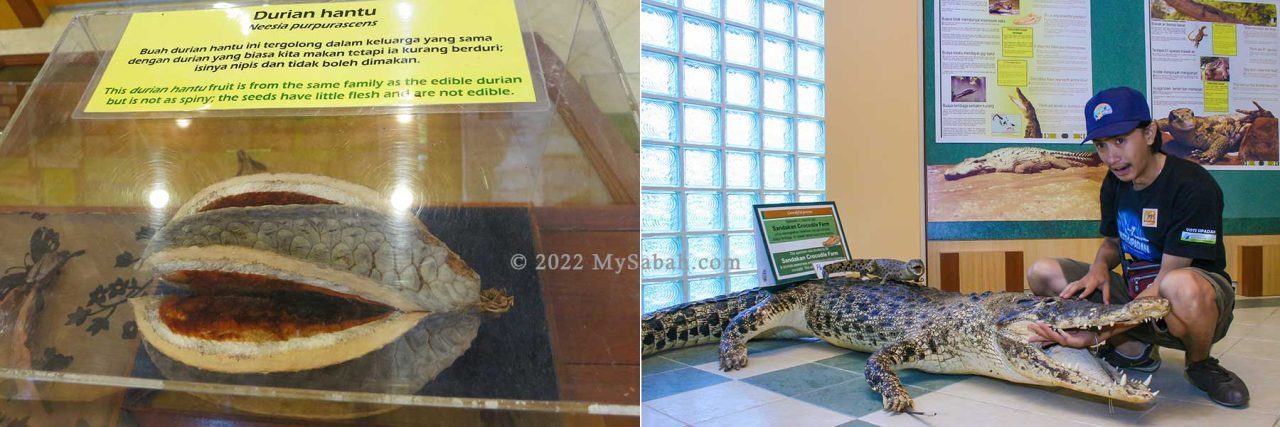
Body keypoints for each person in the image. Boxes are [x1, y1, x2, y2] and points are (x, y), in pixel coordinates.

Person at [1023, 86, 1249, 407]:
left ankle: (1200, 364)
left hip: (1188, 305)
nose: (1111, 157)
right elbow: (1113, 243)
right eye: (1102, 145)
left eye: (1120, 140)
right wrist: (1100, 267)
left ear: (1149, 132)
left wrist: (1099, 332)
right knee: (1042, 272)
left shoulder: (1193, 185)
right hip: (1135, 295)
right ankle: (1135, 348)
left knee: (1178, 284)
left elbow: (1164, 285)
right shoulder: (1115, 183)